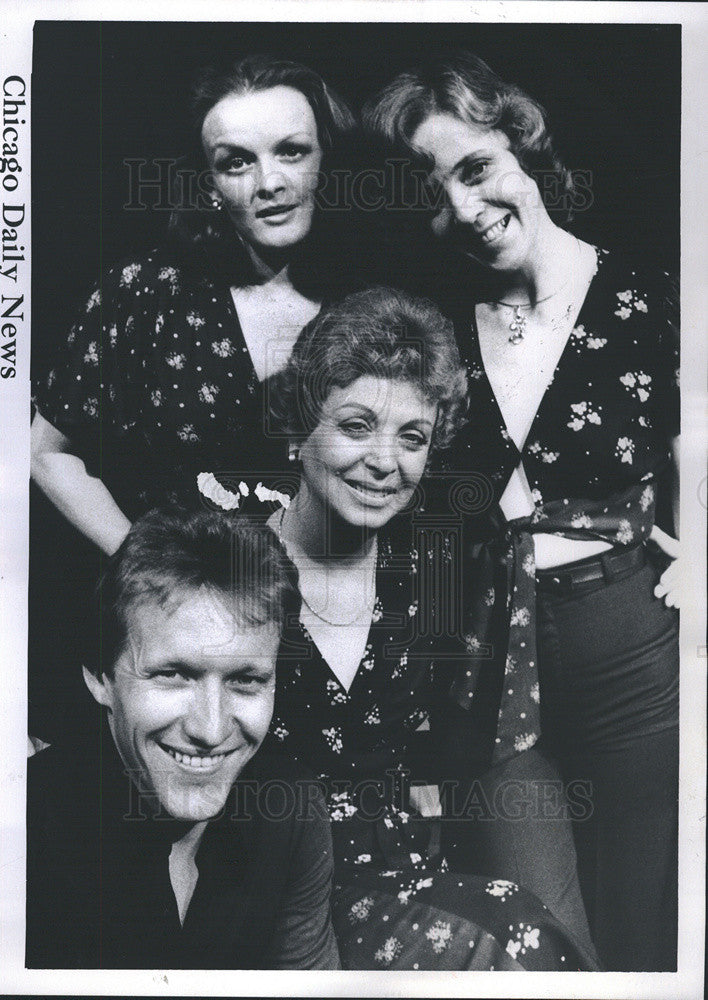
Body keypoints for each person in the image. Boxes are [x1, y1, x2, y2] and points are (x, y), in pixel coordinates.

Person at [362, 53, 680, 971]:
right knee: (532, 937)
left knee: (647, 923)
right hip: (480, 664)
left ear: (523, 146)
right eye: (433, 192)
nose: (463, 208)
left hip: (629, 646)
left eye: (476, 168)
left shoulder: (648, 299)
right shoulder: (431, 328)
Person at [254, 286, 599, 971]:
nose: (386, 462)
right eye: (356, 426)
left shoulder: (431, 571)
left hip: (407, 875)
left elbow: (454, 751)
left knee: (527, 935)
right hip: (270, 890)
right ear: (298, 430)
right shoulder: (235, 566)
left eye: (411, 437)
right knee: (510, 940)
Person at [28, 54, 356, 742]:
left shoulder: (369, 305)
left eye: (292, 152)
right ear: (208, 183)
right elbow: (47, 452)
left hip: (331, 645)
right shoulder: (142, 295)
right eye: (236, 162)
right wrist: (146, 561)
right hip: (180, 655)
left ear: (328, 161)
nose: (269, 182)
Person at [27, 507, 340, 969]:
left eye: (246, 680)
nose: (210, 730)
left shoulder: (292, 810)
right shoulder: (18, 825)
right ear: (100, 677)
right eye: (173, 675)